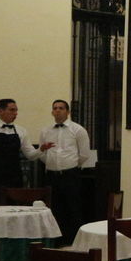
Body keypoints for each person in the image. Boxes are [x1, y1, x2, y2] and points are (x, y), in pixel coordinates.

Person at [38, 100, 94, 243]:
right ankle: (55, 242)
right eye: (55, 108)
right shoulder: (45, 131)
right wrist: (52, 164)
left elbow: (84, 154)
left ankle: (74, 242)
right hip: (51, 176)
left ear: (67, 112)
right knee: (53, 209)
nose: (58, 110)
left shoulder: (78, 130)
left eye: (61, 108)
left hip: (70, 175)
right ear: (52, 112)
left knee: (73, 208)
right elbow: (42, 152)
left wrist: (70, 165)